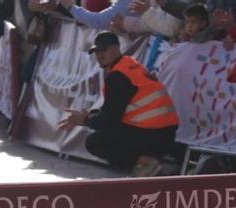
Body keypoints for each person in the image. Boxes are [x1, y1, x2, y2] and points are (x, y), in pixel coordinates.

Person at [57, 31, 179, 176]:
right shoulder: (130, 65)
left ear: (116, 48)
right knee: (105, 130)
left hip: (152, 135)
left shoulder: (118, 76)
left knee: (95, 142)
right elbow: (114, 111)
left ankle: (146, 162)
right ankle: (151, 163)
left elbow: (108, 120)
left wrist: (84, 119)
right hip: (165, 133)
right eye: (96, 52)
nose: (99, 56)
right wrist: (89, 116)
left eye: (103, 50)